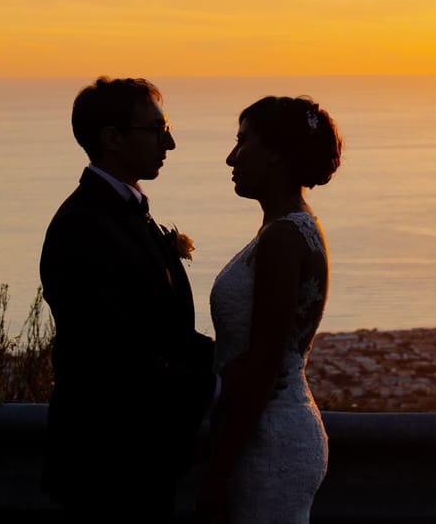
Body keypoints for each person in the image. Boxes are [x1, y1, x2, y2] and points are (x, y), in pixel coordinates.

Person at [40, 76, 215, 521]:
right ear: (113, 138)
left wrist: (237, 360)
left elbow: (165, 332)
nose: (170, 143)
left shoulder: (126, 215)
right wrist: (217, 383)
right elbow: (117, 351)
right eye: (157, 130)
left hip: (140, 460)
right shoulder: (82, 224)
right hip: (110, 462)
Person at [203, 95, 342, 524]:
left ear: (277, 153)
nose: (231, 157)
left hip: (267, 439)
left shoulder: (283, 237)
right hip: (271, 428)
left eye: (243, 143)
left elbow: (263, 363)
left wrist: (218, 472)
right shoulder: (288, 226)